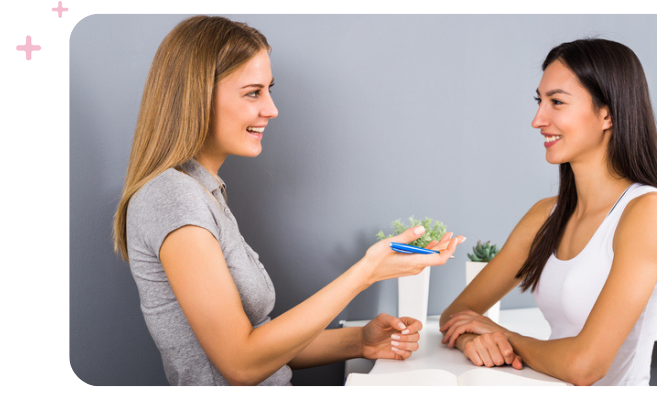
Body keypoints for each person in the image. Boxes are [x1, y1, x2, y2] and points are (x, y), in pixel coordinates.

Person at [112, 15, 464, 386]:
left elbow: (261, 344)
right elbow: (241, 364)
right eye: (253, 93)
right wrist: (367, 272)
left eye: (269, 89)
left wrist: (360, 341)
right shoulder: (172, 197)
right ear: (196, 97)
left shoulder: (204, 191)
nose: (271, 109)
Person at [438, 38, 657, 386]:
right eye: (539, 101)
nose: (537, 120)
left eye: (557, 102)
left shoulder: (649, 213)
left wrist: (504, 336)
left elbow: (585, 367)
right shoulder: (545, 216)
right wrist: (472, 339)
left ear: (607, 114)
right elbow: (455, 314)